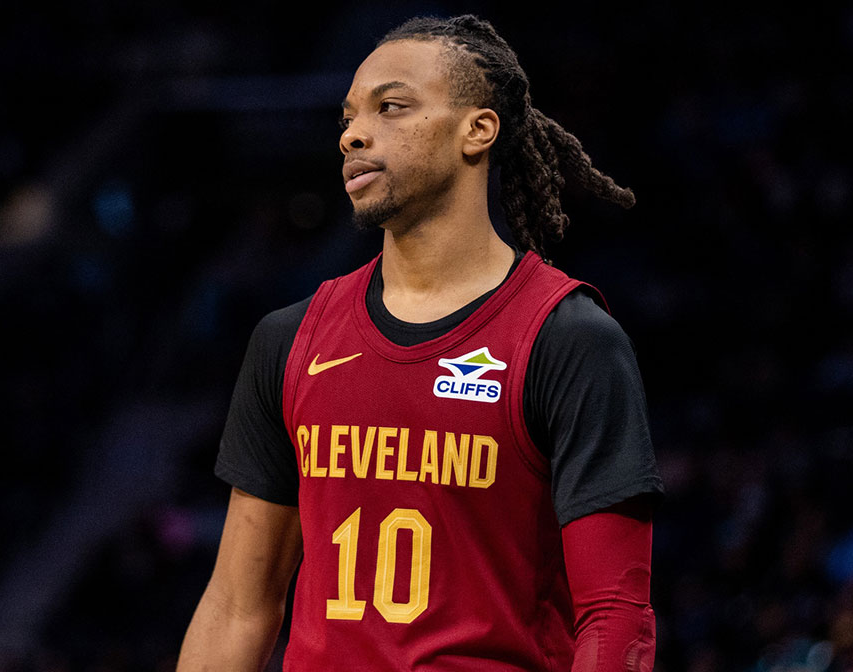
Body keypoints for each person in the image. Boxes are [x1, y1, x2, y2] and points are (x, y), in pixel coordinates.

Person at [178, 14, 663, 672]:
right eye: (348, 115)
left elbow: (615, 616)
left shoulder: (566, 339)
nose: (353, 132)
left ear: (478, 130)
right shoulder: (289, 339)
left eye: (392, 107)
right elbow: (238, 605)